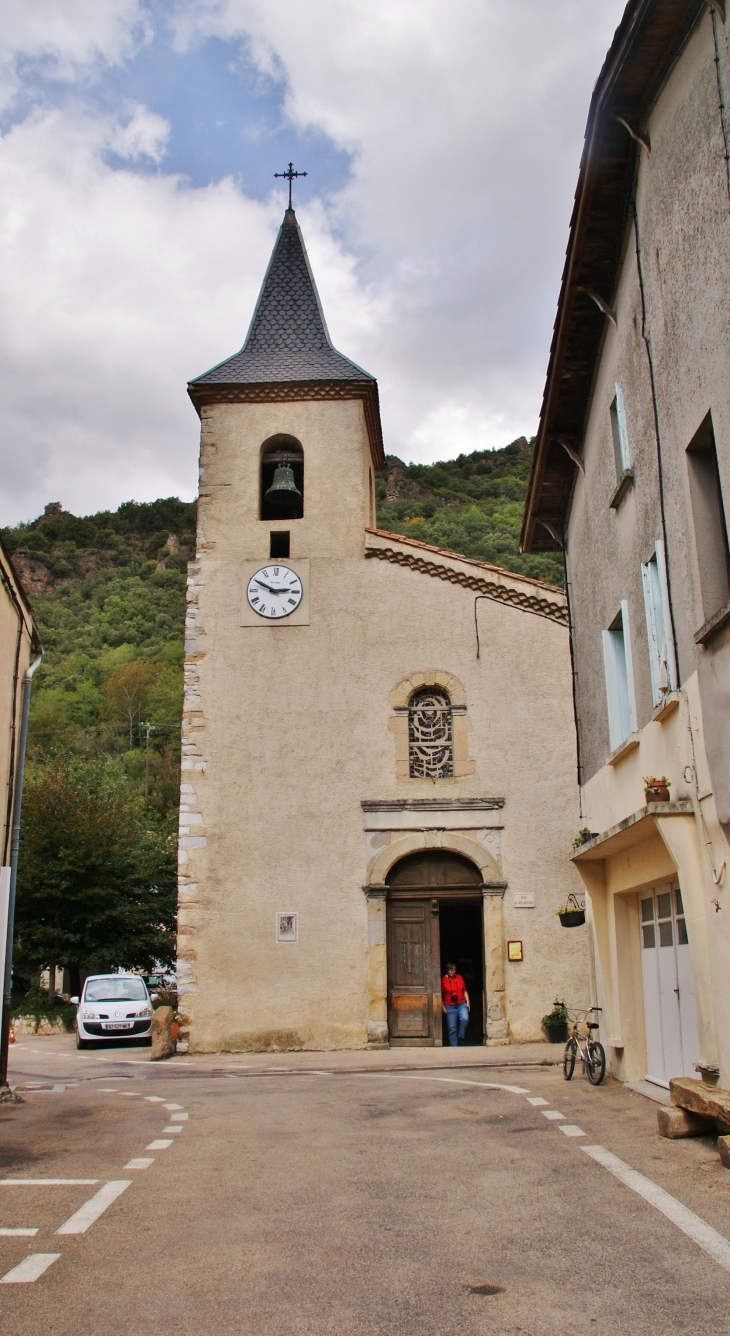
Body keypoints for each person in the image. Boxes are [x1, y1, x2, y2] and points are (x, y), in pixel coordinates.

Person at [441, 962, 470, 1046]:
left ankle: (461, 1036)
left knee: (465, 1018)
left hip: (461, 1004)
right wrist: (443, 1007)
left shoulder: (460, 978)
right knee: (452, 1028)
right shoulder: (444, 980)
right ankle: (454, 1047)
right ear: (447, 971)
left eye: (454, 970)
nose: (452, 972)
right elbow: (440, 995)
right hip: (449, 1006)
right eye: (450, 970)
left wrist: (468, 1001)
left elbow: (464, 990)